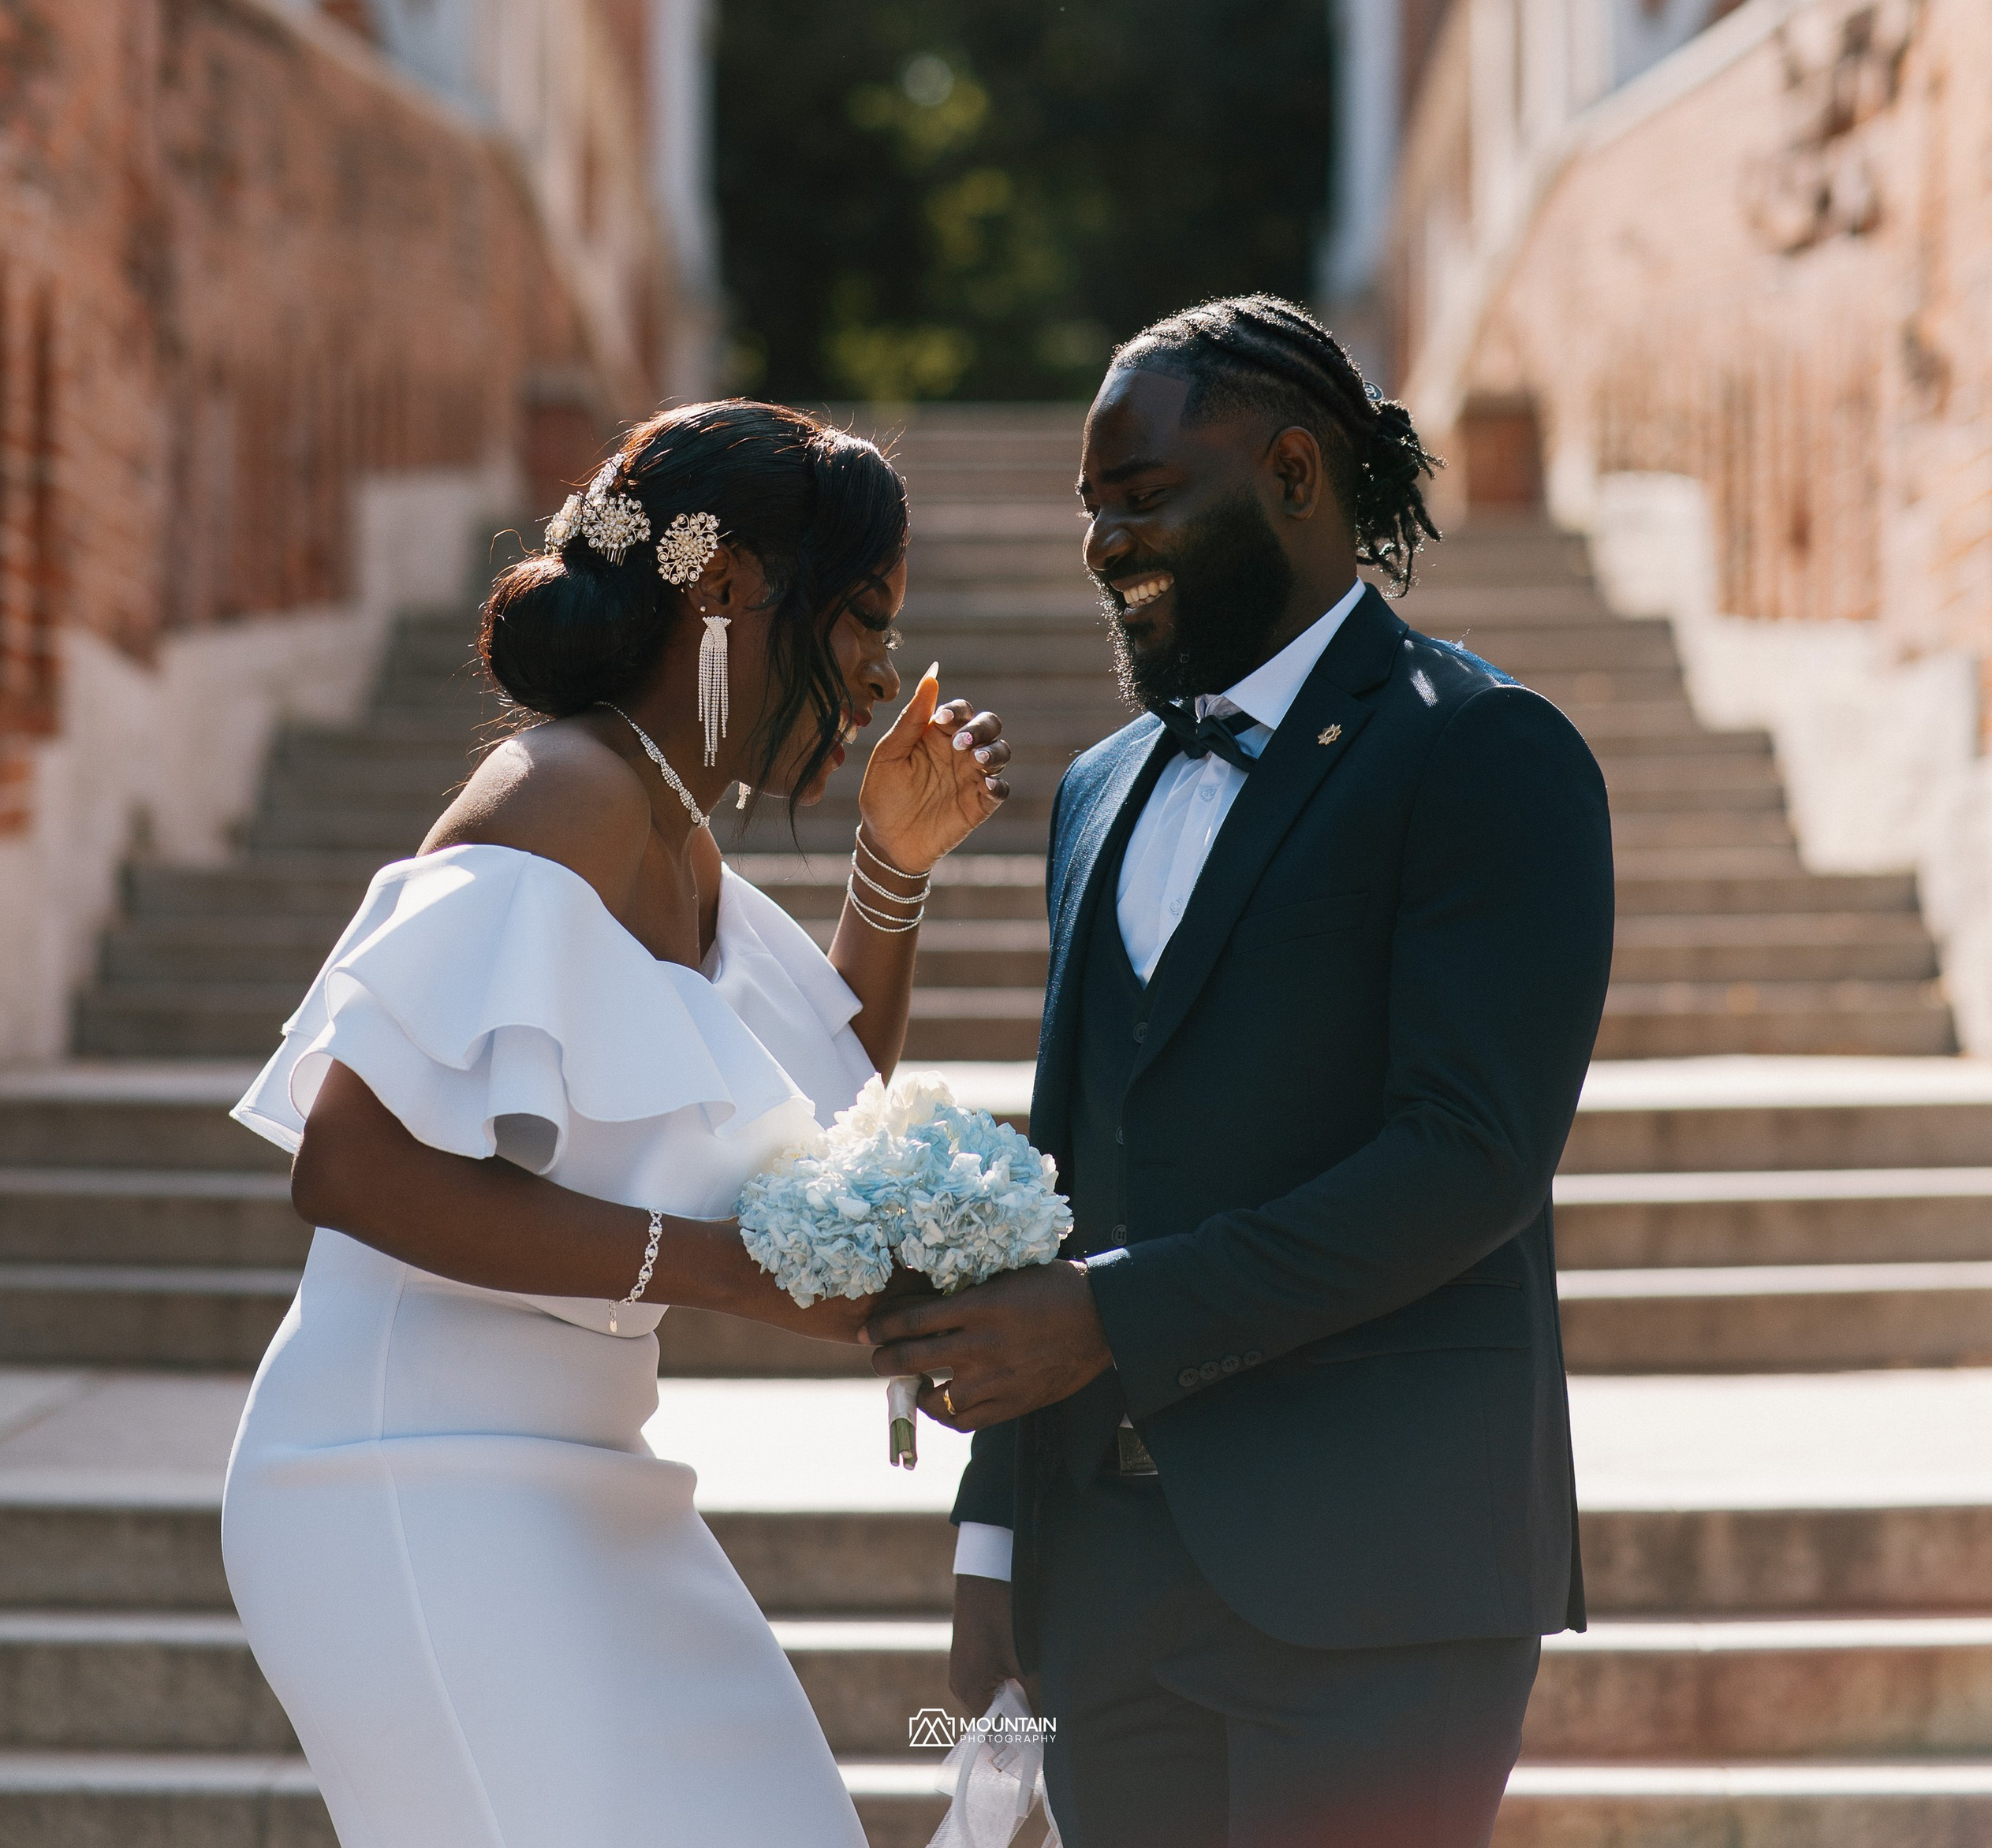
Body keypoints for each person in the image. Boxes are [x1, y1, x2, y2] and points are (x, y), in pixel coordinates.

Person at [867, 296, 1615, 1848]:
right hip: (1108, 1590)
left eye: (1140, 500)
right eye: (1091, 508)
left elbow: (1467, 1159)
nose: (1099, 545)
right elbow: (1061, 1164)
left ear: (1291, 475)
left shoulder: (1484, 749)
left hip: (1379, 1585)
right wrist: (997, 1540)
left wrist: (1107, 1319)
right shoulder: (1095, 789)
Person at [222, 399, 1007, 1848]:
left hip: (590, 1470)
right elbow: (348, 1160)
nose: (880, 676)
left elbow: (815, 1113)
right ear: (724, 594)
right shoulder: (563, 793)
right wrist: (720, 1277)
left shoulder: (676, 835)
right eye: (861, 625)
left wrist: (891, 866)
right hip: (403, 1472)